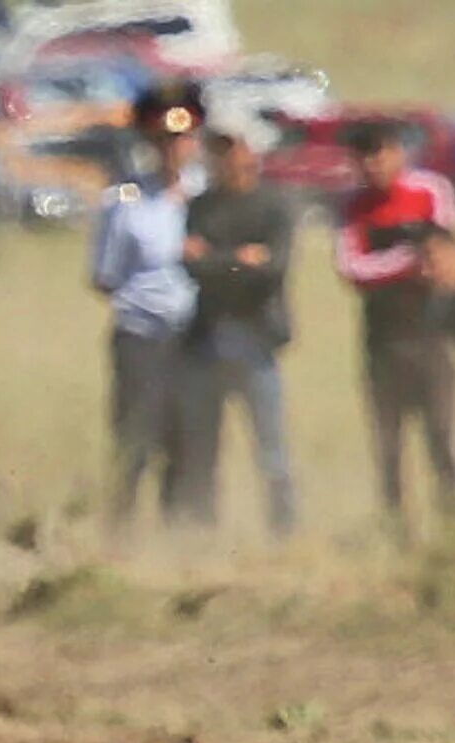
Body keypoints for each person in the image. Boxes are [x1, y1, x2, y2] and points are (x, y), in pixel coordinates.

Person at [91, 81, 205, 528]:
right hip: (141, 337)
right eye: (164, 139)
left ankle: (182, 535)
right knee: (135, 440)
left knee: (188, 443)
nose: (174, 149)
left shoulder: (208, 195)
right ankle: (120, 534)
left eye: (183, 137)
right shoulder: (125, 200)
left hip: (195, 337)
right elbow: (104, 274)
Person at [336, 119, 455, 523]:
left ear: (399, 152)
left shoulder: (430, 191)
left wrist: (421, 265)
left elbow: (446, 255)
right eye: (364, 156)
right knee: (388, 443)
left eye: (381, 152)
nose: (373, 164)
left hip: (431, 333)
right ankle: (395, 525)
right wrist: (409, 264)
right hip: (382, 338)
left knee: (441, 437)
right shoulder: (353, 207)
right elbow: (353, 269)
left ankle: (451, 522)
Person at [181, 114, 297, 536]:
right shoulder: (201, 205)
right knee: (201, 448)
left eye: (233, 148)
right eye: (218, 150)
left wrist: (215, 259)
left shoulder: (275, 206)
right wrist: (240, 259)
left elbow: (273, 268)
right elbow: (191, 266)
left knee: (271, 450)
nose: (225, 158)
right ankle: (200, 529)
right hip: (207, 339)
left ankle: (284, 532)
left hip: (257, 338)